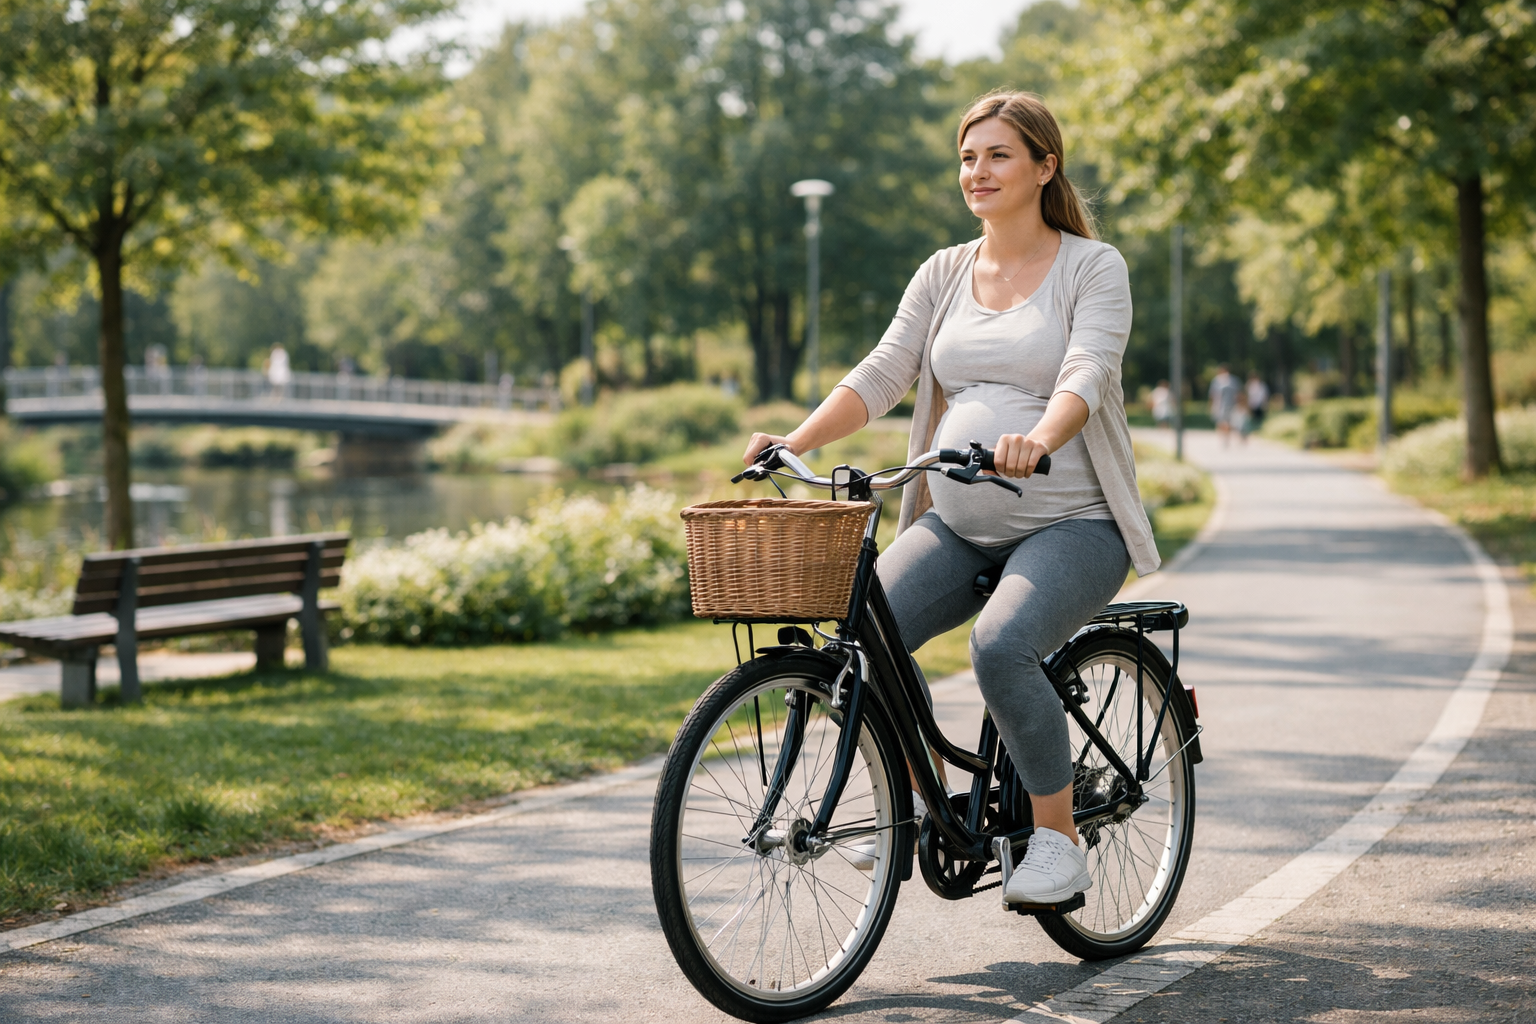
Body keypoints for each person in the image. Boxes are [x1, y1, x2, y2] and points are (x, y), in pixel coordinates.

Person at [742, 92, 1157, 907]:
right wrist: (795, 443)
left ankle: (1056, 838)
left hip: (1073, 522)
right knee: (862, 638)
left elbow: (1088, 371)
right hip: (960, 524)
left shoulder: (1090, 266)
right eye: (968, 157)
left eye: (999, 155)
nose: (979, 171)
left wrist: (1040, 436)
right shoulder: (944, 270)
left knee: (1001, 647)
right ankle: (921, 803)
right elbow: (884, 372)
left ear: (1046, 166)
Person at [1207, 364, 1240, 446]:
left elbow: (1212, 395)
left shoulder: (1230, 380)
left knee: (1225, 422)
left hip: (1226, 404)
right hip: (1223, 404)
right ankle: (1224, 438)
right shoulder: (1220, 380)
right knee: (1223, 422)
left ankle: (1225, 438)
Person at [1243, 371, 1269, 443]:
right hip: (1250, 406)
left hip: (1259, 405)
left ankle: (1259, 434)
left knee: (1259, 420)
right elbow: (1246, 397)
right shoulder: (1248, 386)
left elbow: (1265, 396)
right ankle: (1248, 434)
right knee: (1249, 421)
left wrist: (1265, 405)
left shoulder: (1262, 385)